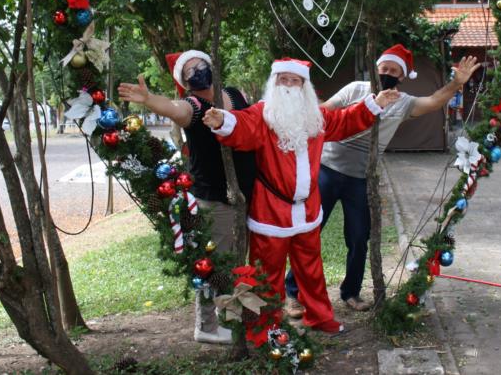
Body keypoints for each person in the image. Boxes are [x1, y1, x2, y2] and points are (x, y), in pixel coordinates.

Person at [201, 58, 399, 334]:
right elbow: (244, 127)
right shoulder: (263, 114)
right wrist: (222, 120)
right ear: (274, 83)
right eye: (284, 80)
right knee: (266, 273)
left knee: (311, 269)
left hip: (308, 209)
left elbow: (345, 121)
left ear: (305, 85)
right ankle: (265, 325)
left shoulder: (315, 116)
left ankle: (319, 316)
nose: (290, 86)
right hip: (271, 210)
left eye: (295, 81)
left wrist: (374, 103)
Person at [284, 44, 481, 314]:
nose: (386, 73)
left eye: (392, 70)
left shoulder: (404, 103)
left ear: (401, 76)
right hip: (327, 170)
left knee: (358, 237)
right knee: (309, 233)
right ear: (375, 69)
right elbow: (325, 111)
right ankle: (293, 293)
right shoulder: (355, 89)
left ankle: (351, 292)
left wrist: (456, 83)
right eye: (383, 68)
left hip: (361, 178)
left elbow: (435, 101)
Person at [118, 49, 255, 345]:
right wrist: (151, 100)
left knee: (236, 261)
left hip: (245, 195)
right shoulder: (192, 105)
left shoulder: (235, 93)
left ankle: (232, 317)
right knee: (215, 264)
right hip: (215, 199)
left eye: (201, 65)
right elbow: (174, 108)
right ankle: (206, 325)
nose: (197, 71)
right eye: (189, 71)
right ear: (185, 81)